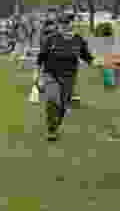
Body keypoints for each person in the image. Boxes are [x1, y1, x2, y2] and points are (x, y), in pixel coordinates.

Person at [36, 12, 93, 141]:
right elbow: (41, 58)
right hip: (51, 74)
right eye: (63, 23)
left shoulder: (78, 40)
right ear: (59, 25)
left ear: (73, 25)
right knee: (52, 99)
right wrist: (37, 75)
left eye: (68, 23)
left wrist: (105, 64)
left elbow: (89, 58)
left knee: (62, 105)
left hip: (69, 77)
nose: (66, 26)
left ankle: (55, 126)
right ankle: (51, 130)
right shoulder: (51, 39)